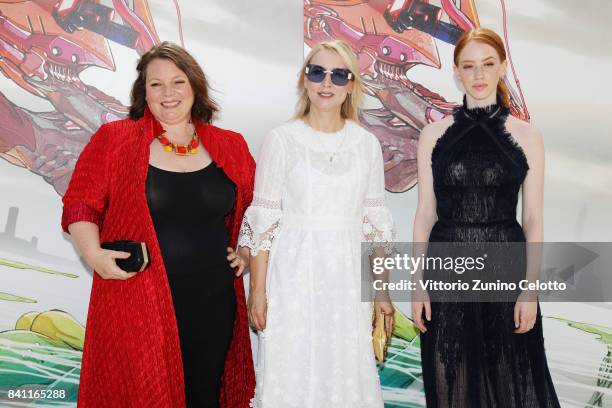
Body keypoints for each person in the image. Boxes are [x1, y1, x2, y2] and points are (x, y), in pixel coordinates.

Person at [61, 42, 255, 407]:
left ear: (194, 86)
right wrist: (93, 254)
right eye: (156, 84)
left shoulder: (230, 145)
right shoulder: (116, 139)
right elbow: (80, 205)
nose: (169, 93)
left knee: (204, 394)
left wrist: (246, 248)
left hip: (214, 300)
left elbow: (258, 209)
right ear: (142, 92)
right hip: (138, 298)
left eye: (178, 82)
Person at [238, 39, 394, 408]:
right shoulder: (281, 140)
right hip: (292, 274)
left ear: (351, 85)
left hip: (345, 276)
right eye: (317, 72)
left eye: (339, 75)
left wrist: (382, 293)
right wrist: (258, 291)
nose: (327, 83)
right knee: (291, 367)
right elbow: (265, 224)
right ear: (304, 80)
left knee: (343, 370)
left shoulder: (367, 144)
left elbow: (376, 227)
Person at [411, 28, 560, 406]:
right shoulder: (432, 135)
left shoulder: (528, 136)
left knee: (514, 389)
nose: (478, 75)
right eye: (469, 66)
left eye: (488, 64)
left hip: (507, 275)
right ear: (457, 73)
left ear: (502, 68)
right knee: (451, 390)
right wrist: (416, 283)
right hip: (445, 276)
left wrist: (531, 289)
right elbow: (425, 212)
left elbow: (533, 219)